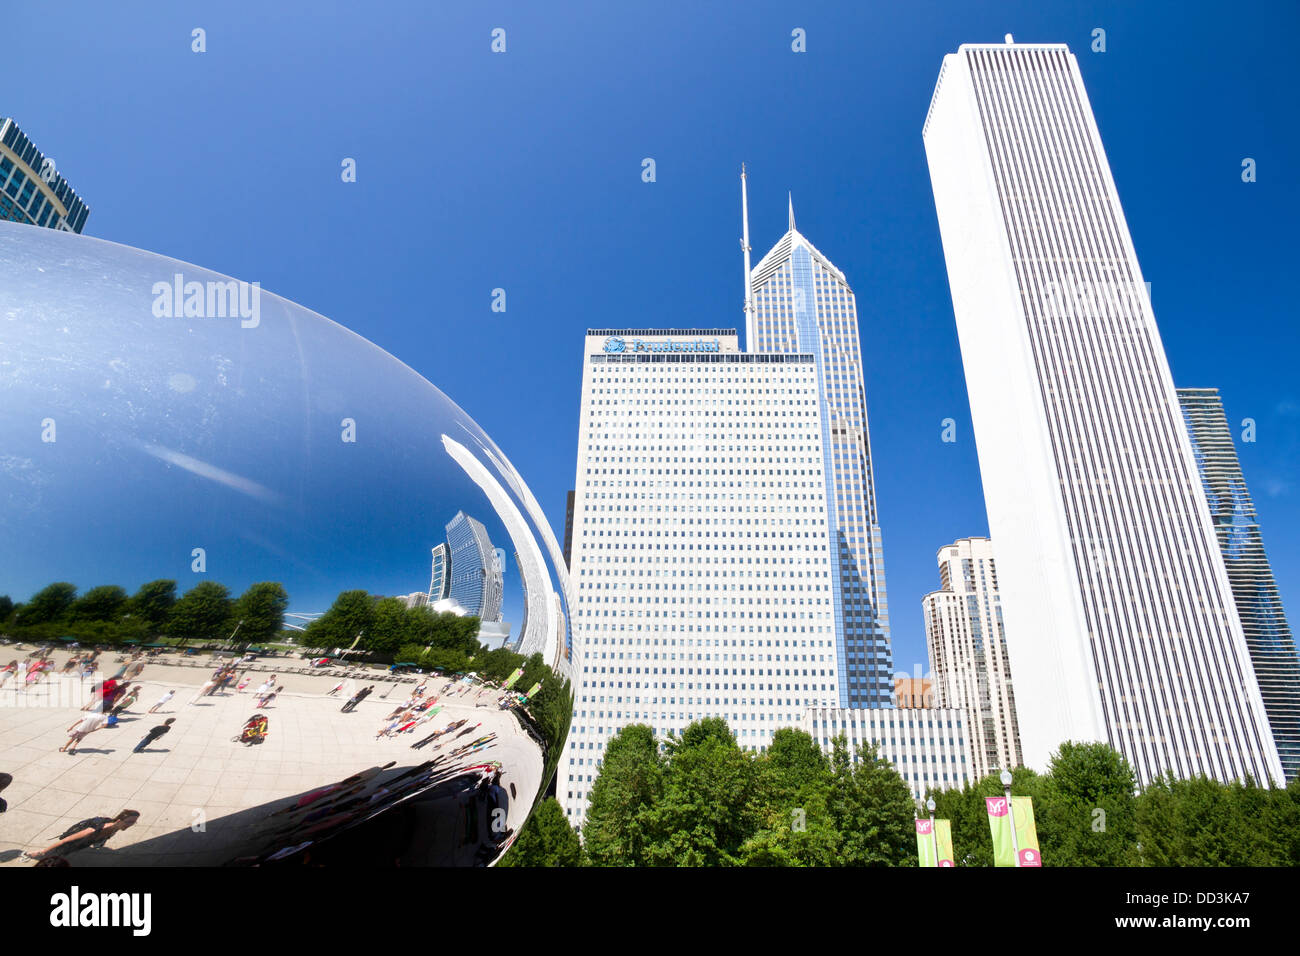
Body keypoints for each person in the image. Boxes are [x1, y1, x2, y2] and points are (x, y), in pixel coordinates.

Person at [23, 810, 141, 861]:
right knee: (56, 854)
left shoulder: (115, 828)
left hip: (81, 845)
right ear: (119, 821)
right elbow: (65, 841)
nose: (131, 825)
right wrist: (42, 851)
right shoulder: (93, 830)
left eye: (133, 822)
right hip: (71, 844)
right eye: (129, 822)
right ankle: (36, 854)